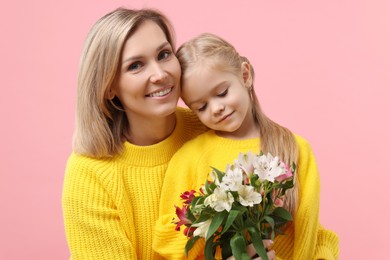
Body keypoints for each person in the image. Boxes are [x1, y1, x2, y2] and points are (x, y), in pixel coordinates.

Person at [153, 33, 339, 259]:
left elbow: (308, 231)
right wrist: (211, 212)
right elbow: (168, 241)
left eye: (222, 93)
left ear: (245, 75)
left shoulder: (296, 148)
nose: (216, 108)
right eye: (201, 107)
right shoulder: (189, 157)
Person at [62, 8, 207, 259]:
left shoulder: (209, 127)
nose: (160, 75)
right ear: (108, 87)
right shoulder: (89, 172)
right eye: (136, 65)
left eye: (164, 54)